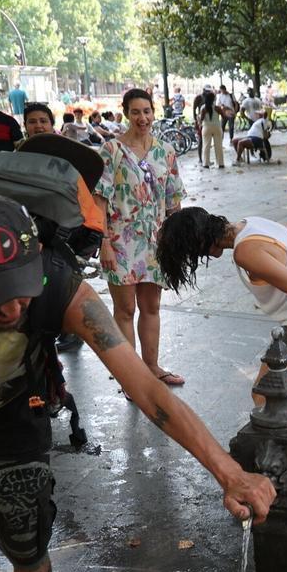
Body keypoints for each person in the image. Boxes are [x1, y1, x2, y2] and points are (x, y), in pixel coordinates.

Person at [0, 195, 275, 572]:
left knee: (29, 548)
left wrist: (230, 473)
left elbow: (148, 389)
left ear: (37, 256)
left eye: (20, 288)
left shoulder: (66, 292)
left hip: (12, 431)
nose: (11, 309)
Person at [157, 207, 287, 499]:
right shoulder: (250, 224)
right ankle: (286, 465)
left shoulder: (244, 252)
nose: (201, 259)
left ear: (200, 242)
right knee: (262, 394)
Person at [95, 89, 186, 388]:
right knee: (125, 310)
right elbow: (99, 201)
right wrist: (104, 243)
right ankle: (130, 378)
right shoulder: (111, 150)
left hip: (156, 241)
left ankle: (152, 368)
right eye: (135, 112)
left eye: (146, 111)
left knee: (151, 307)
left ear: (153, 113)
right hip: (119, 241)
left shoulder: (166, 151)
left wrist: (176, 243)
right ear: (126, 114)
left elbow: (174, 202)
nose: (142, 118)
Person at [198, 90, 225, 169]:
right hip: (217, 127)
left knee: (206, 146)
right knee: (218, 146)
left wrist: (199, 119)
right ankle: (220, 163)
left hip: (206, 127)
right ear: (214, 99)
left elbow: (201, 119)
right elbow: (224, 116)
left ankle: (206, 163)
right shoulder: (217, 108)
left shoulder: (203, 108)